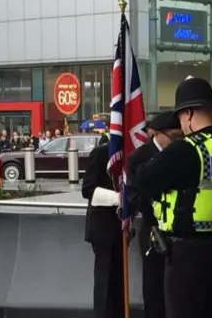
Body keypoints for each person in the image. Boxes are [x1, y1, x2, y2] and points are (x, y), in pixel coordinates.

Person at [134, 77, 212, 318]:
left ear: (189, 113)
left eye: (180, 116)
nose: (181, 124)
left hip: (186, 254)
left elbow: (143, 178)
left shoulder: (187, 149)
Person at [127, 111, 183, 318]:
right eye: (175, 136)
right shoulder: (139, 158)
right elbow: (133, 195)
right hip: (154, 230)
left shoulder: (182, 154)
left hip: (180, 230)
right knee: (154, 286)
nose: (179, 141)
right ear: (157, 134)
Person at [81, 133, 125, 318]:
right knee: (104, 280)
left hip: (120, 226)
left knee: (118, 280)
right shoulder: (101, 153)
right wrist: (119, 199)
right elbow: (87, 189)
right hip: (103, 227)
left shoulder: (130, 153)